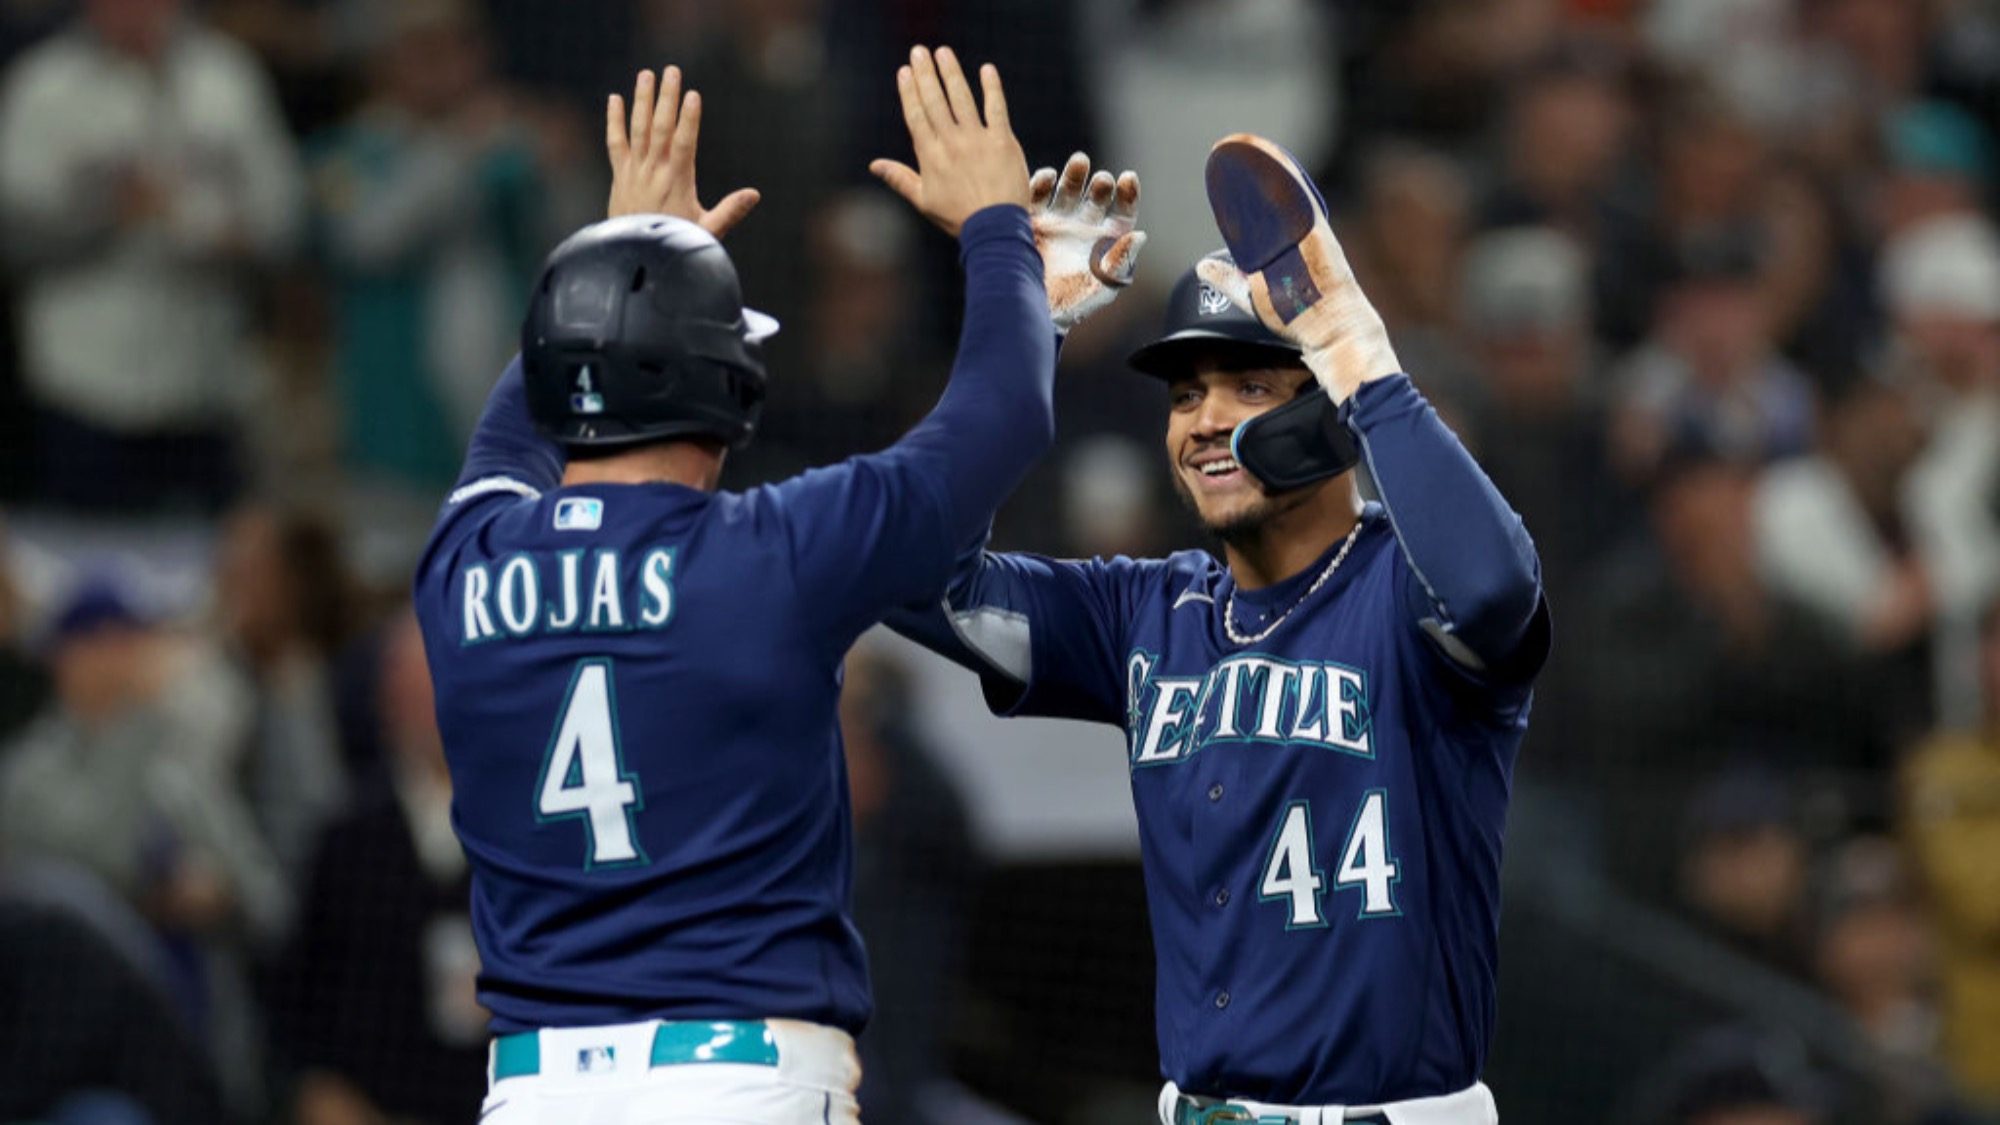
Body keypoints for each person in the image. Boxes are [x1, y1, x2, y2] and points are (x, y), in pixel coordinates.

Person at [412, 52, 1140, 1124]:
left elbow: (521, 421)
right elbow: (1000, 414)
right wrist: (1000, 232)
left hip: (532, 1090)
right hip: (740, 1079)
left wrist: (611, 266)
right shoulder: (779, 548)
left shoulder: (461, 563)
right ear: (724, 390)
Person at [891, 138, 1547, 1121]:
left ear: (1325, 412)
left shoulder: (1407, 590)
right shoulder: (1146, 610)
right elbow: (904, 570)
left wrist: (1364, 365)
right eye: (1185, 393)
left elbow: (1497, 594)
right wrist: (1022, 331)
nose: (1201, 420)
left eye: (1245, 387)